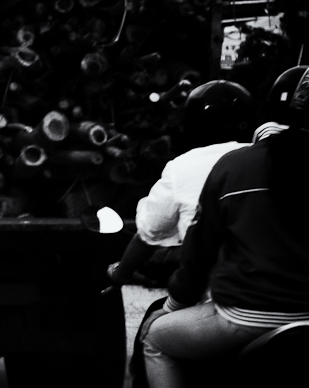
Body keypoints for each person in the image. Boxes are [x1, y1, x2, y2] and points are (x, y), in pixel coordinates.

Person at [137, 66, 309, 388]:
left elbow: (198, 253)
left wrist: (175, 304)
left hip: (243, 319)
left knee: (155, 338)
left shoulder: (235, 168)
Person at [107, 80, 254, 287]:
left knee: (155, 320)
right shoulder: (270, 160)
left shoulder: (183, 167)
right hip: (286, 288)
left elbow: (149, 233)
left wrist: (120, 274)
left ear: (193, 125)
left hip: (225, 297)